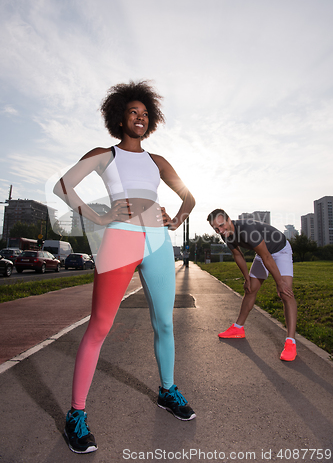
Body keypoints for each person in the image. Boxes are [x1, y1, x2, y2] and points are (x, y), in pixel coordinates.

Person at [54, 81, 196, 454]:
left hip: (158, 244)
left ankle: (167, 391)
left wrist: (178, 217)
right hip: (119, 240)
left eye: (145, 114)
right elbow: (63, 186)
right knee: (99, 326)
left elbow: (189, 196)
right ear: (120, 116)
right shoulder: (106, 154)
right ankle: (76, 415)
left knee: (164, 322)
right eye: (134, 112)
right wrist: (98, 216)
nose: (140, 117)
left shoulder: (158, 162)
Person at [207, 209, 297, 362]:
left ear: (229, 219)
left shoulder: (247, 230)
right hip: (263, 254)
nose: (220, 231)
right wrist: (247, 278)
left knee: (285, 293)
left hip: (279, 250)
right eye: (216, 229)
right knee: (250, 290)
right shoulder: (226, 234)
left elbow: (267, 256)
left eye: (222, 226)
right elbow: (238, 255)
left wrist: (279, 282)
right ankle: (238, 328)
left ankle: (291, 342)